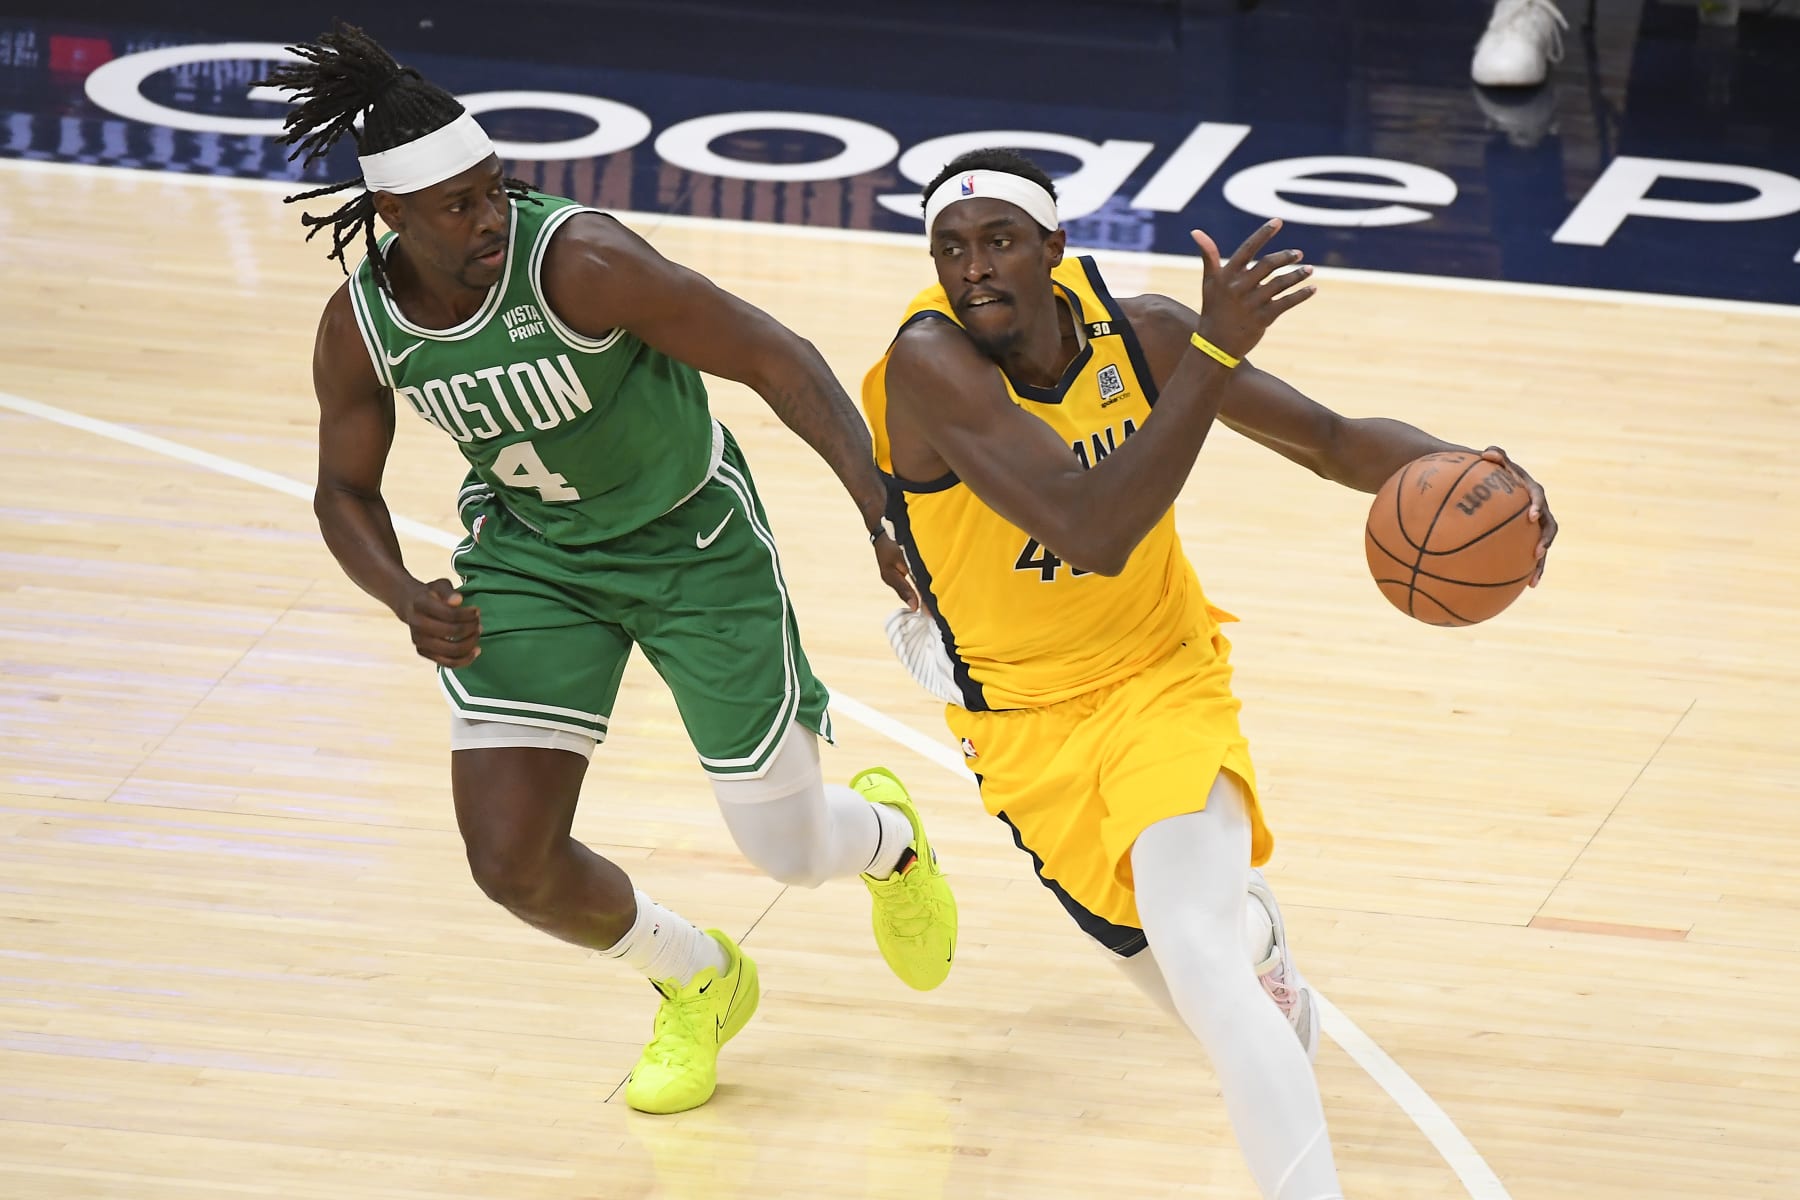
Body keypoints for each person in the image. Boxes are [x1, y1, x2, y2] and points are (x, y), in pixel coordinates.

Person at [254, 23, 957, 1117]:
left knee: (788, 849)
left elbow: (777, 356)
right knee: (509, 862)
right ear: (391, 217)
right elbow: (344, 491)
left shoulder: (579, 263)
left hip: (693, 545)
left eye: (495, 190)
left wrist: (880, 508)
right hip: (536, 561)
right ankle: (699, 979)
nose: (490, 217)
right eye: (459, 207)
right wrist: (403, 595)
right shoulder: (362, 329)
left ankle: (889, 845)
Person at [861, 149, 1556, 1199]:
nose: (973, 270)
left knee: (1198, 958)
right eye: (950, 249)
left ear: (1054, 249)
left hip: (1159, 675)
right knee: (1192, 974)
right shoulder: (929, 365)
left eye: (999, 240)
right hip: (1021, 723)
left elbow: (1329, 441)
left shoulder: (1141, 336)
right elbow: (1092, 527)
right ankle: (1259, 935)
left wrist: (1483, 475)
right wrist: (1214, 358)